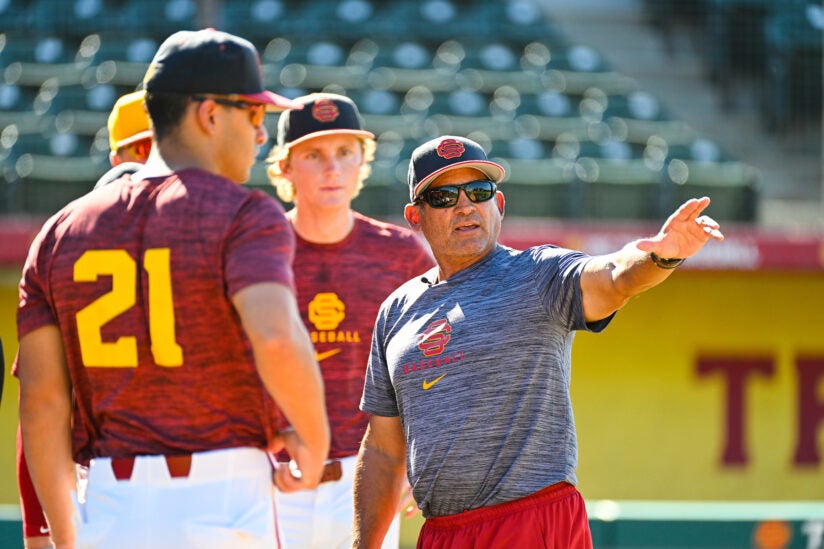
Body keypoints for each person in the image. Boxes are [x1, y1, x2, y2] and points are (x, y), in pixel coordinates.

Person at [15, 28, 330, 549]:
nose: (259, 133)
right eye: (253, 114)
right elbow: (275, 337)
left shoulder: (59, 230)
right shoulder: (244, 212)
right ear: (209, 114)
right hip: (222, 495)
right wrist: (315, 441)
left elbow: (43, 402)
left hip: (110, 504)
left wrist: (69, 534)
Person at [353, 135, 725, 548]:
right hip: (442, 533)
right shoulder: (396, 310)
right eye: (443, 197)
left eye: (478, 192)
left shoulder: (538, 274)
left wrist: (660, 256)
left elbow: (615, 278)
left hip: (532, 522)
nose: (465, 206)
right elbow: (383, 453)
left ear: (499, 205)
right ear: (414, 216)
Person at [266, 92, 433, 549]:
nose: (332, 168)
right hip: (270, 480)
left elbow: (432, 367)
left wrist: (426, 462)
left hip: (368, 479)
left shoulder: (400, 254)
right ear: (284, 165)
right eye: (314, 155)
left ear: (364, 161)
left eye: (345, 153)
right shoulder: (255, 247)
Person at [15, 88, 155, 549]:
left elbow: (40, 411)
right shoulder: (211, 236)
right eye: (144, 147)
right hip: (119, 481)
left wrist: (40, 530)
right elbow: (42, 409)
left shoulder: (59, 237)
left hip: (108, 489)